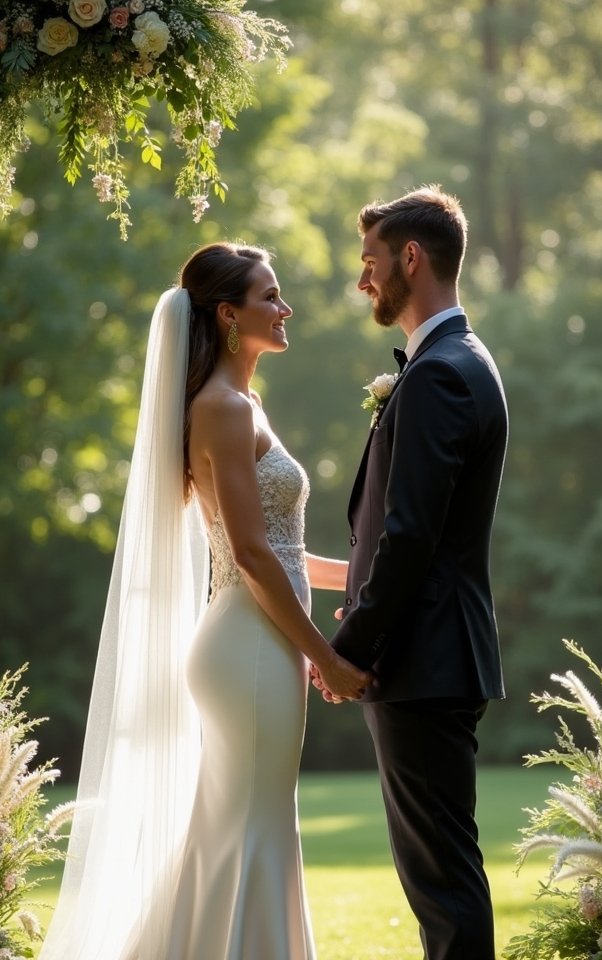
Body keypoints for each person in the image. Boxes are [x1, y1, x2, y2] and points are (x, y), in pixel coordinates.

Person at [40, 242, 370, 960]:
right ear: (228, 315)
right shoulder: (221, 409)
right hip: (249, 647)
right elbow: (250, 555)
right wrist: (327, 658)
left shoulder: (245, 404)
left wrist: (370, 577)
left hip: (260, 639)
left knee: (242, 827)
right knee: (249, 827)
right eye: (270, 297)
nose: (285, 309)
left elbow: (278, 552)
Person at [312, 185, 508, 960]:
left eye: (371, 262)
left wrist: (349, 650)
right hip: (432, 655)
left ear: (412, 258)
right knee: (442, 881)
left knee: (443, 888)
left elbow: (409, 535)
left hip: (423, 661)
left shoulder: (439, 375)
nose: (364, 281)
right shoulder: (457, 362)